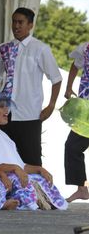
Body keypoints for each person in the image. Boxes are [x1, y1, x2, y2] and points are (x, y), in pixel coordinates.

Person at [0, 89, 68, 210]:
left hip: (12, 176)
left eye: (7, 106)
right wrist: (14, 168)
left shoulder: (3, 135)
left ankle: (41, 202)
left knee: (41, 178)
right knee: (20, 180)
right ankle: (25, 202)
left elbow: (21, 166)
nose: (7, 111)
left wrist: (39, 169)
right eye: (1, 107)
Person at [0, 7, 62, 166]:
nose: (16, 26)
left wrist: (51, 105)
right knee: (4, 159)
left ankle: (37, 191)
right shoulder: (4, 48)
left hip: (30, 114)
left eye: (20, 22)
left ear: (30, 25)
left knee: (32, 160)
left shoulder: (40, 48)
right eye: (14, 21)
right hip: (5, 113)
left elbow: (56, 79)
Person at [63, 42, 89, 202]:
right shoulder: (85, 48)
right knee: (72, 147)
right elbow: (75, 65)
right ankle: (82, 189)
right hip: (86, 110)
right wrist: (68, 87)